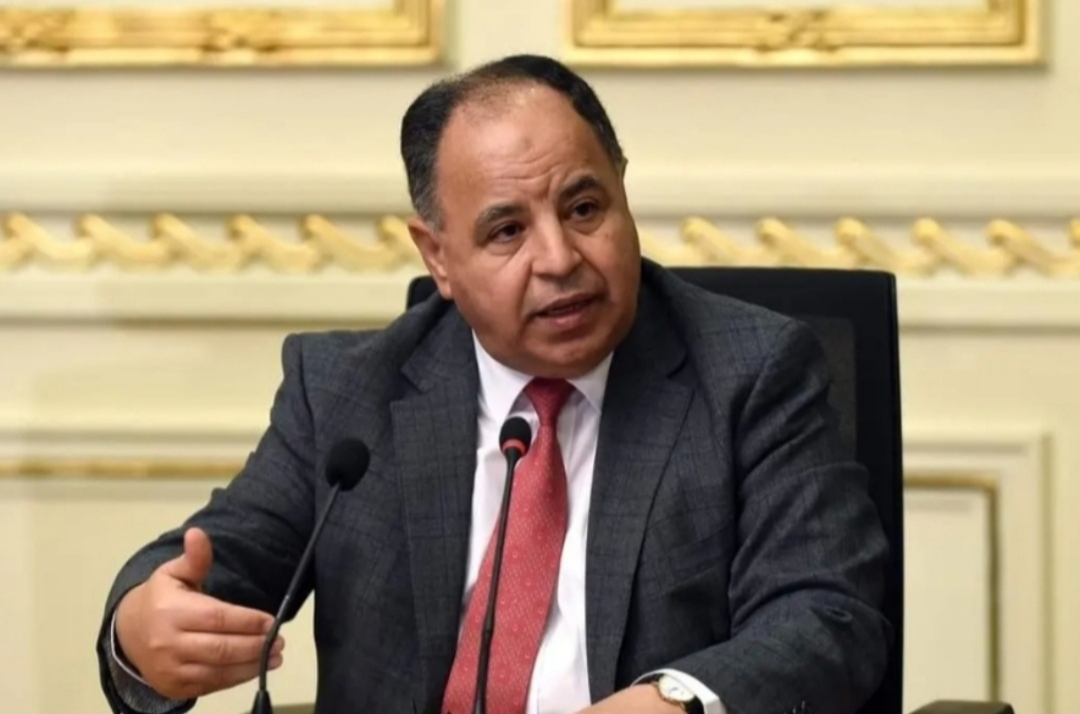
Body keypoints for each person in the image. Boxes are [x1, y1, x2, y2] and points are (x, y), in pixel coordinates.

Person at [96, 54, 892, 714]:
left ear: (623, 189)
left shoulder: (751, 371)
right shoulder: (346, 392)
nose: (560, 258)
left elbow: (827, 616)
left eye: (585, 207)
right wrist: (140, 631)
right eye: (507, 230)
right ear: (438, 257)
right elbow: (211, 563)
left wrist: (676, 701)